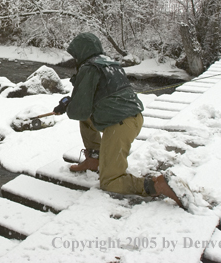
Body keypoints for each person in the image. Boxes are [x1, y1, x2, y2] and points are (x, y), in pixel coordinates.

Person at [53, 32, 183, 208]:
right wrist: (73, 100)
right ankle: (95, 158)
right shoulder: (109, 64)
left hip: (119, 125)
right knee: (87, 120)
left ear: (82, 52)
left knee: (110, 181)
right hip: (132, 118)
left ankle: (155, 185)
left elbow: (78, 112)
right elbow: (94, 98)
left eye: (75, 54)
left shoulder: (88, 68)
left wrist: (68, 106)